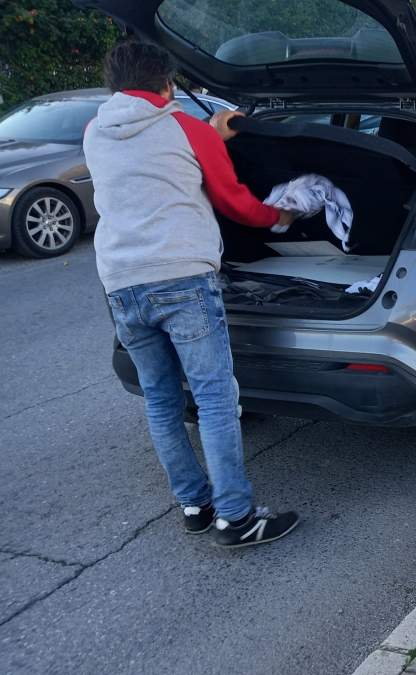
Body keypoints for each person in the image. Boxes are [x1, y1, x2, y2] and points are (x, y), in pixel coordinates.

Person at [84, 41, 301, 548]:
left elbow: (149, 167)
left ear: (116, 86)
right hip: (181, 279)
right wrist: (282, 216)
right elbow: (234, 201)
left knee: (160, 401)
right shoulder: (187, 128)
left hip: (120, 283)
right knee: (214, 399)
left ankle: (195, 504)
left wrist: (210, 136)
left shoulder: (95, 130)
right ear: (167, 84)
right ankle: (237, 517)